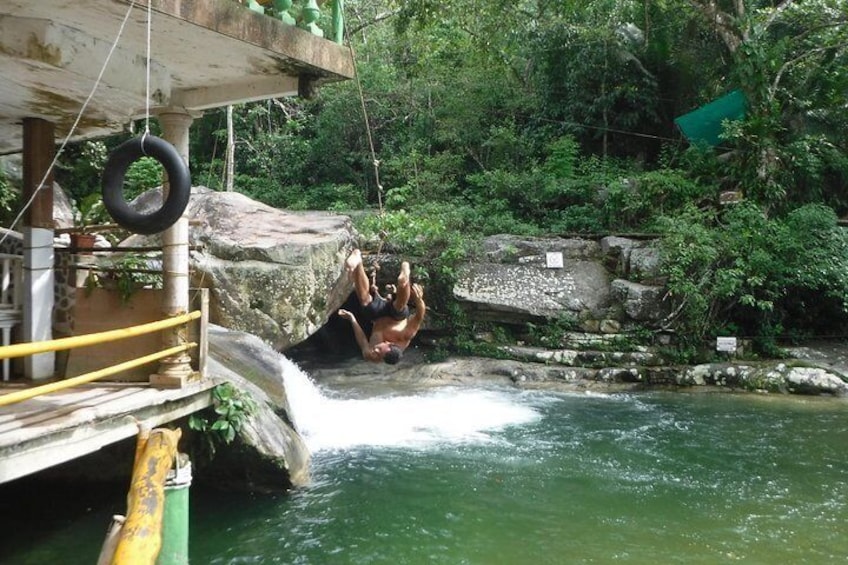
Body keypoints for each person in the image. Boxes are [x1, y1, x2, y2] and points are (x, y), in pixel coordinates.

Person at [338, 248, 425, 364]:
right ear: (390, 344)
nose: (375, 350)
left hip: (377, 315)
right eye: (379, 349)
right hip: (396, 316)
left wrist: (352, 319)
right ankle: (404, 280)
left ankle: (358, 261)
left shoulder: (372, 356)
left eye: (378, 353)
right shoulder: (405, 336)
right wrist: (419, 300)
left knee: (365, 301)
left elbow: (363, 341)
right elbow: (419, 315)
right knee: (399, 307)